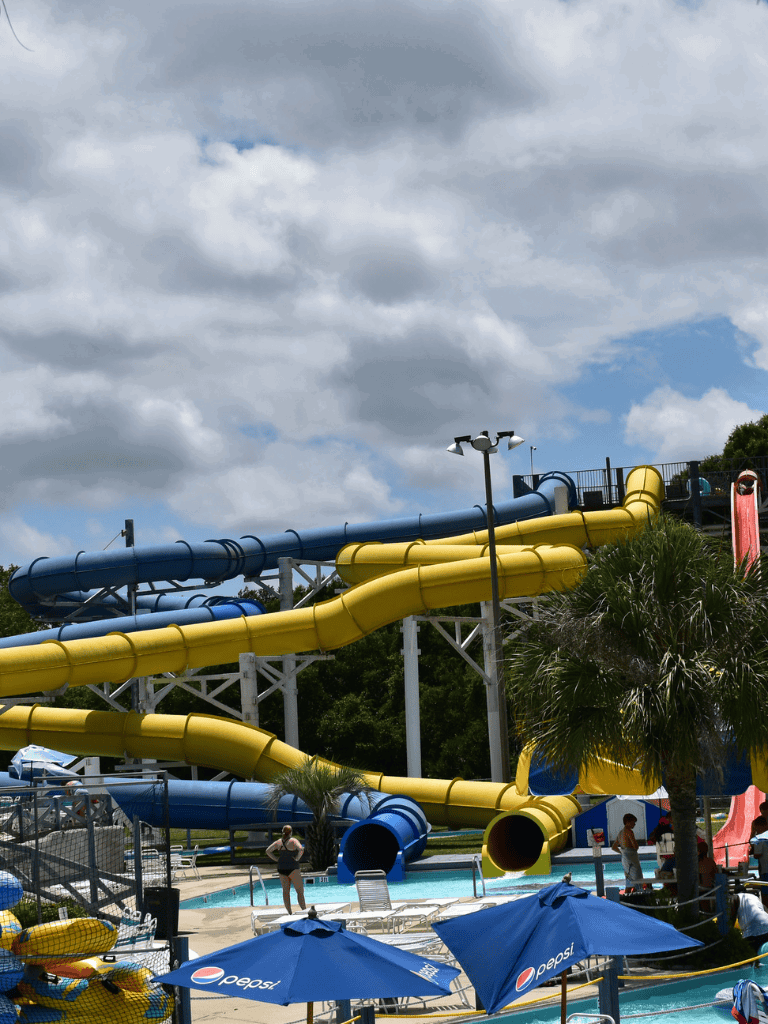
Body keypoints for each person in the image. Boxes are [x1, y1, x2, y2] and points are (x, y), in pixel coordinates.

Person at [266, 825, 306, 914]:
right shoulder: (293, 841)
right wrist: (297, 858)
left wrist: (276, 859)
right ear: (291, 832)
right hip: (293, 868)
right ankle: (304, 910)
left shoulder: (278, 842)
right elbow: (301, 849)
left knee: (286, 892)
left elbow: (268, 851)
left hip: (281, 868)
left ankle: (289, 912)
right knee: (300, 891)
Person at [612, 813, 643, 891]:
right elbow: (636, 847)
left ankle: (627, 899)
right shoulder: (629, 832)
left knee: (629, 881)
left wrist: (622, 852)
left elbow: (614, 847)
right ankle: (637, 899)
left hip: (625, 858)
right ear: (628, 822)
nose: (634, 824)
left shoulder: (620, 833)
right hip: (632, 857)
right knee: (637, 880)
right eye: (633, 822)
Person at [732, 887, 768, 953]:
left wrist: (729, 933)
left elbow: (732, 916)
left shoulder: (735, 897)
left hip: (752, 931)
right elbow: (765, 909)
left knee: (752, 955)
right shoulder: (754, 897)